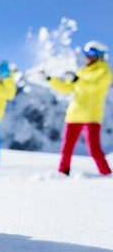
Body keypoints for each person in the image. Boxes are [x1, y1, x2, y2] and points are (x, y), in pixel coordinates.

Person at [46, 40, 112, 176]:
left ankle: (106, 173)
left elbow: (93, 87)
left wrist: (77, 80)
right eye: (86, 53)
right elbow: (66, 88)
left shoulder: (104, 71)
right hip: (74, 114)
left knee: (94, 148)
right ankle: (63, 172)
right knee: (66, 148)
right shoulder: (82, 71)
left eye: (92, 53)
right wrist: (50, 79)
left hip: (91, 115)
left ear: (100, 55)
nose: (88, 56)